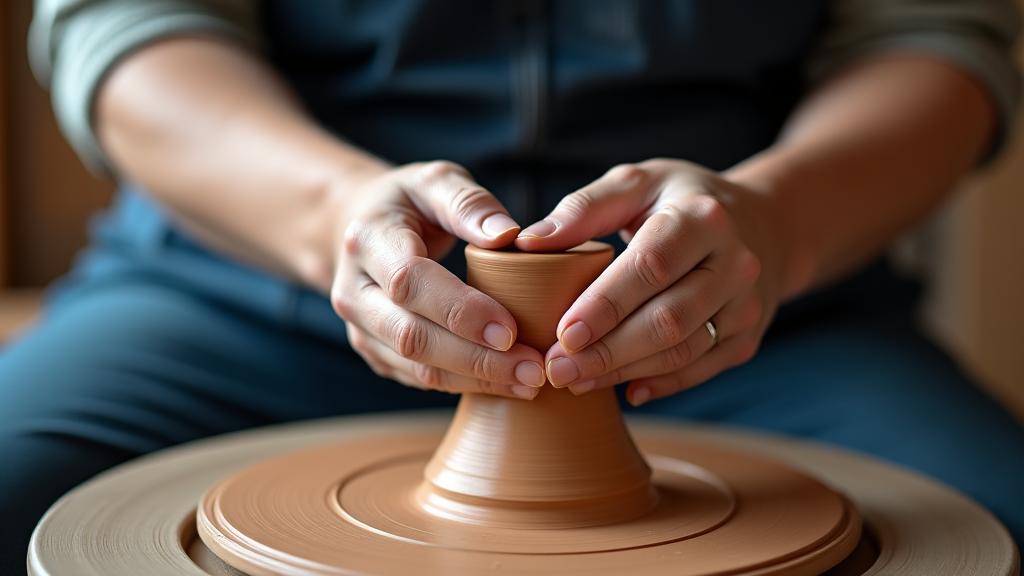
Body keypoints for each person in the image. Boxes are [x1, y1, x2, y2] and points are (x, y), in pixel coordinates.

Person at [3, 0, 1023, 570]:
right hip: (248, 278)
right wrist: (329, 218)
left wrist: (777, 225)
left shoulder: (756, 266)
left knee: (995, 526)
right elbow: (126, 29)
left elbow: (931, 42)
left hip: (736, 306)